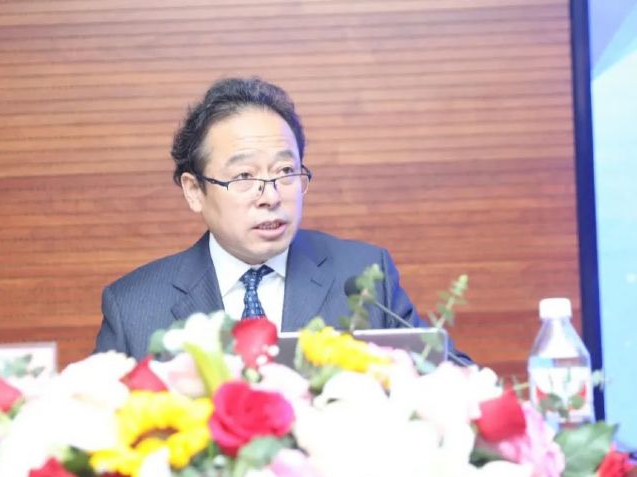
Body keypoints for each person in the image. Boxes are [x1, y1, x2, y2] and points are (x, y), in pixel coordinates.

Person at [94, 77, 470, 364]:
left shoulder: (364, 276)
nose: (271, 197)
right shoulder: (134, 307)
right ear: (194, 190)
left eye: (285, 171)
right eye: (244, 177)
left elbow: (454, 381)